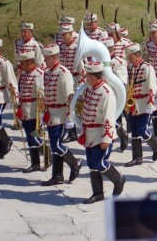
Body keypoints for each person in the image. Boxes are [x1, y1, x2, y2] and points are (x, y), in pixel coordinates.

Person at [77, 61, 126, 204]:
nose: (85, 78)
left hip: (100, 134)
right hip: (89, 132)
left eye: (87, 75)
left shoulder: (107, 93)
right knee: (92, 164)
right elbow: (83, 103)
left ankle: (118, 179)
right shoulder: (89, 89)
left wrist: (106, 138)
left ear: (93, 76)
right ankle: (97, 193)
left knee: (100, 163)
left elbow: (109, 118)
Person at [40, 44, 82, 186]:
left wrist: (70, 118)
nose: (45, 60)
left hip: (61, 114)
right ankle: (57, 175)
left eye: (47, 58)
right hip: (51, 113)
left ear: (54, 57)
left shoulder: (63, 73)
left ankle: (75, 163)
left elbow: (69, 96)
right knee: (54, 146)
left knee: (57, 144)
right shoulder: (47, 73)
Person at [123, 43, 157, 166]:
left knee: (142, 129)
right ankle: (137, 157)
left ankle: (156, 145)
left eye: (130, 56)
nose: (128, 59)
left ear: (137, 55)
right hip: (134, 103)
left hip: (145, 102)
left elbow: (152, 86)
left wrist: (151, 103)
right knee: (134, 130)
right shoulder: (130, 68)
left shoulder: (147, 67)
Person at [15, 51, 45, 173]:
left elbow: (41, 92)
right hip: (25, 108)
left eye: (22, 62)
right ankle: (36, 162)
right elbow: (21, 90)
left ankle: (44, 156)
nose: (20, 65)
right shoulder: (23, 74)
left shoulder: (39, 74)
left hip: (34, 109)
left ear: (29, 62)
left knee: (34, 137)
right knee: (30, 137)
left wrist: (41, 110)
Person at [100, 37, 129, 152]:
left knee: (111, 120)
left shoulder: (118, 62)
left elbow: (122, 82)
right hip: (102, 94)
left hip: (114, 95)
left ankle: (122, 136)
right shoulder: (99, 61)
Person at [58, 23, 85, 143]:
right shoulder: (61, 47)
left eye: (65, 35)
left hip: (76, 78)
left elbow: (82, 65)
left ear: (71, 34)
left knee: (79, 106)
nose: (63, 37)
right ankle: (72, 132)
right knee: (68, 104)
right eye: (62, 35)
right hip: (65, 78)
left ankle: (84, 130)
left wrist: (81, 81)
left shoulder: (77, 47)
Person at [0, 38, 17, 159]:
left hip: (0, 95)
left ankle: (7, 141)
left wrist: (15, 99)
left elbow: (11, 82)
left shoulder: (4, 62)